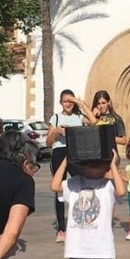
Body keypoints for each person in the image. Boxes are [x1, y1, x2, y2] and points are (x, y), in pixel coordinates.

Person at [46, 89, 97, 243]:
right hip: (59, 153)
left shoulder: (79, 116)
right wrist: (55, 132)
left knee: (82, 186)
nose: (68, 104)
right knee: (59, 189)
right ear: (61, 103)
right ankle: (62, 229)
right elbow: (48, 143)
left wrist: (81, 103)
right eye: (65, 101)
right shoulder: (55, 118)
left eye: (70, 101)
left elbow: (94, 122)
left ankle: (83, 221)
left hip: (76, 153)